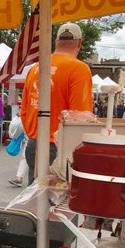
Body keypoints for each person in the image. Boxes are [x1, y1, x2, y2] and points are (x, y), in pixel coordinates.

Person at [21, 22, 93, 185]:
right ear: (79, 43)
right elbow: (81, 117)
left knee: (35, 201)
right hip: (60, 148)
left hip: (34, 144)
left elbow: (24, 111)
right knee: (57, 204)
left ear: (56, 42)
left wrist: (36, 134)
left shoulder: (36, 68)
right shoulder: (79, 69)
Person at [8, 111, 28, 187]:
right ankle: (19, 178)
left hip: (36, 133)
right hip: (31, 134)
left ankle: (20, 178)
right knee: (25, 156)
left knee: (26, 157)